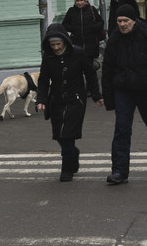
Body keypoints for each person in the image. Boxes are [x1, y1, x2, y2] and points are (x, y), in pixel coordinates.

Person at [101, 5, 147, 185]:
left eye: (126, 21)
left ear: (134, 20)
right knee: (122, 129)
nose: (123, 24)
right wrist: (108, 98)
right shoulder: (114, 40)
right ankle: (119, 171)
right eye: (119, 21)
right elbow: (107, 71)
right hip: (123, 90)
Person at [36, 24, 103, 182]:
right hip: (56, 101)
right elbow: (44, 80)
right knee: (59, 135)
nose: (56, 48)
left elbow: (90, 74)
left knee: (68, 134)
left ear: (65, 41)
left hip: (76, 100)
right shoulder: (48, 56)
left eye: (58, 44)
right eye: (53, 45)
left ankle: (67, 169)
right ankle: (73, 152)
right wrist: (41, 100)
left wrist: (96, 95)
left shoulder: (77, 53)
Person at [62, 0, 105, 66]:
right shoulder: (71, 11)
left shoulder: (92, 10)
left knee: (90, 67)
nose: (79, 3)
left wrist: (94, 28)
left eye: (81, 0)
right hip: (76, 43)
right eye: (77, 1)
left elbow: (101, 22)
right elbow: (64, 24)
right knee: (77, 66)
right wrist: (74, 28)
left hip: (91, 43)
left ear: (85, 0)